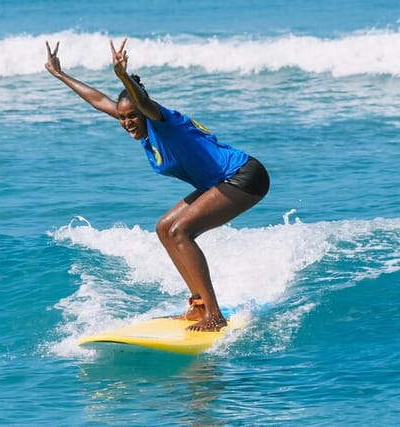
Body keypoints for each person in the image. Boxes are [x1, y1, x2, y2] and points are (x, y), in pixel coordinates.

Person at [45, 39, 270, 331]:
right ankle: (199, 305)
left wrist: (123, 76)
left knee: (181, 231)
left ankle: (214, 316)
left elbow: (145, 103)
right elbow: (99, 101)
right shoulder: (136, 121)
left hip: (243, 175)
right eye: (122, 118)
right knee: (165, 228)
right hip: (221, 180)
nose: (127, 122)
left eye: (132, 116)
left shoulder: (163, 120)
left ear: (143, 111)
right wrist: (59, 74)